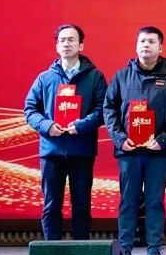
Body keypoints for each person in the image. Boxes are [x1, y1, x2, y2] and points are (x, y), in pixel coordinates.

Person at [103, 26, 166, 255]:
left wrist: (163, 139)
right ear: (136, 46)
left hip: (158, 151)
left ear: (160, 47)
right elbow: (109, 109)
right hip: (129, 151)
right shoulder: (122, 76)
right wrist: (120, 139)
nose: (146, 45)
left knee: (154, 201)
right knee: (128, 201)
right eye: (142, 41)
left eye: (151, 41)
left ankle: (154, 249)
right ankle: (125, 249)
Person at [24, 23, 107, 240]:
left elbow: (103, 109)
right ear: (56, 46)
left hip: (82, 150)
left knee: (81, 205)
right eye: (62, 40)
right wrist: (47, 126)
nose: (66, 44)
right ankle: (51, 248)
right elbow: (30, 109)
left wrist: (82, 125)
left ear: (81, 45)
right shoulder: (45, 78)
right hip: (52, 151)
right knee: (51, 205)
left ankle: (80, 248)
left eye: (71, 40)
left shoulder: (95, 77)